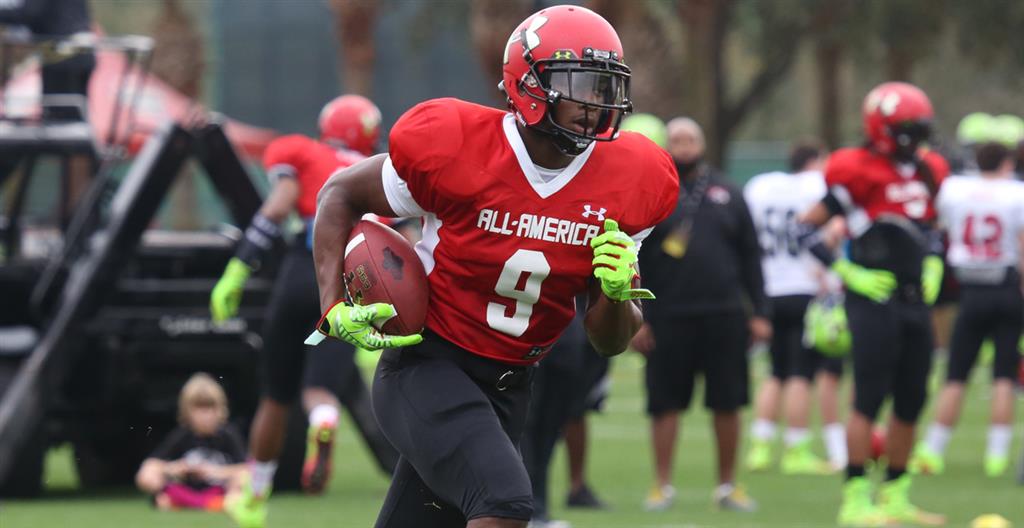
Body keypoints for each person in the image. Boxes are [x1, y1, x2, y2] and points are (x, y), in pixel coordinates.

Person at [307, 6, 679, 528]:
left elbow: (609, 341)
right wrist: (332, 305)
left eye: (603, 88)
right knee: (505, 502)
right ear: (528, 83)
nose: (594, 105)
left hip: (511, 386)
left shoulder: (630, 179)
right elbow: (339, 193)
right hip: (428, 366)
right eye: (579, 85)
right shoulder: (460, 147)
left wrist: (617, 295)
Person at [209, 95, 391, 528]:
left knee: (275, 395)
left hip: (300, 270)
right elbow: (401, 237)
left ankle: (254, 496)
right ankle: (324, 418)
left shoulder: (304, 153)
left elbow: (274, 210)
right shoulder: (379, 171)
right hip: (351, 279)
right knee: (320, 387)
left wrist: (237, 268)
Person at [797, 82, 948, 527]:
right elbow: (804, 230)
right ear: (883, 130)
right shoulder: (856, 170)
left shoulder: (927, 170)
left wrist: (935, 262)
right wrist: (847, 273)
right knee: (867, 398)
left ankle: (896, 495)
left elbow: (933, 228)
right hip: (871, 302)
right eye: (908, 130)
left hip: (916, 301)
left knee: (912, 400)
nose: (917, 140)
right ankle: (855, 498)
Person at [632, 117, 770, 513]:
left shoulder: (729, 191)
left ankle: (728, 486)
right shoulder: (653, 192)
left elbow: (751, 256)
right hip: (667, 316)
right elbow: (635, 259)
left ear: (703, 144)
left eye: (691, 138)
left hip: (725, 315)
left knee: (727, 402)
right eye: (676, 139)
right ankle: (662, 486)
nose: (684, 145)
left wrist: (759, 312)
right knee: (664, 404)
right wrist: (638, 317)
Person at [912, 141, 1024, 478]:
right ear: (1006, 164)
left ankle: (932, 451)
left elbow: (938, 226)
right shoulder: (1016, 193)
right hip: (1007, 286)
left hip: (971, 290)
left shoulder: (956, 190)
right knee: (1004, 374)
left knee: (956, 374)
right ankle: (996, 456)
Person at [743, 139, 847, 475]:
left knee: (776, 371)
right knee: (802, 373)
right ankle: (796, 449)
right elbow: (833, 232)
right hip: (805, 287)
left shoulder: (762, 187)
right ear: (817, 161)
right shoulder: (818, 187)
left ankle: (760, 446)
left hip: (769, 288)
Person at [135, 373, 246, 511]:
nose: (206, 415)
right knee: (148, 475)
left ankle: (216, 503)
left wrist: (215, 472)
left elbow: (246, 469)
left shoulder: (228, 435)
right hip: (186, 491)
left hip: (218, 490)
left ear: (220, 409)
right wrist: (176, 468)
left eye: (210, 408)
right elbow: (150, 466)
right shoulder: (182, 435)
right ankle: (198, 504)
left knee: (243, 481)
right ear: (187, 411)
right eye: (199, 409)